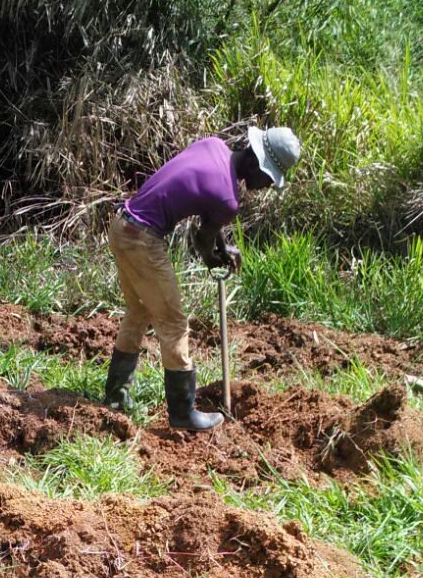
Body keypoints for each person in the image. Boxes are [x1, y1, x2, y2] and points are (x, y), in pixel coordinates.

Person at [105, 125, 301, 430]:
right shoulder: (228, 200)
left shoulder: (214, 146)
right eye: (267, 175)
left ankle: (116, 397)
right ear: (254, 162)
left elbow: (209, 217)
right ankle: (183, 414)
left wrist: (222, 246)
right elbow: (202, 240)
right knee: (173, 323)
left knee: (139, 310)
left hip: (121, 226)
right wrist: (214, 259)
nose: (263, 185)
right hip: (143, 240)